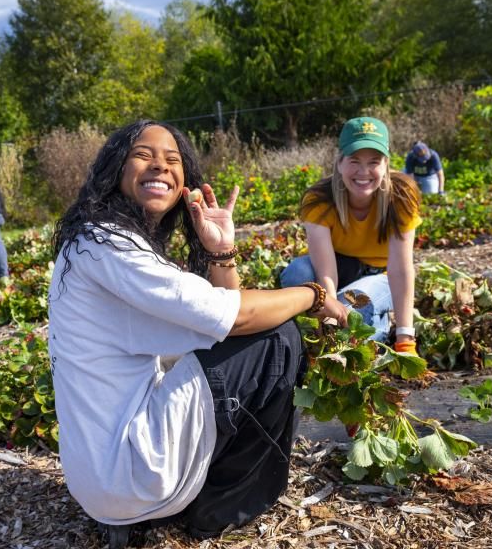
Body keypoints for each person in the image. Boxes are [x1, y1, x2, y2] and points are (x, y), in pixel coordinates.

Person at [48, 119, 347, 548]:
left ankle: (180, 502)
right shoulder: (108, 243)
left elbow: (221, 320)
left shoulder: (101, 243)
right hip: (132, 473)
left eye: (172, 161)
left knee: (262, 337)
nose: (160, 167)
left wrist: (221, 250)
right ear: (115, 168)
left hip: (106, 479)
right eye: (143, 155)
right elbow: (237, 320)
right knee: (279, 341)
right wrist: (313, 295)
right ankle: (217, 508)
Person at [280, 116, 421, 352]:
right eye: (354, 161)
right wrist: (330, 315)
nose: (363, 172)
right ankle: (353, 326)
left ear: (386, 163)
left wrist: (405, 338)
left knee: (353, 302)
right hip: (337, 267)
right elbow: (326, 272)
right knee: (297, 274)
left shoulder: (402, 195)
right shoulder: (318, 199)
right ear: (340, 162)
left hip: (381, 274)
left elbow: (400, 268)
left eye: (374, 162)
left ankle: (375, 324)